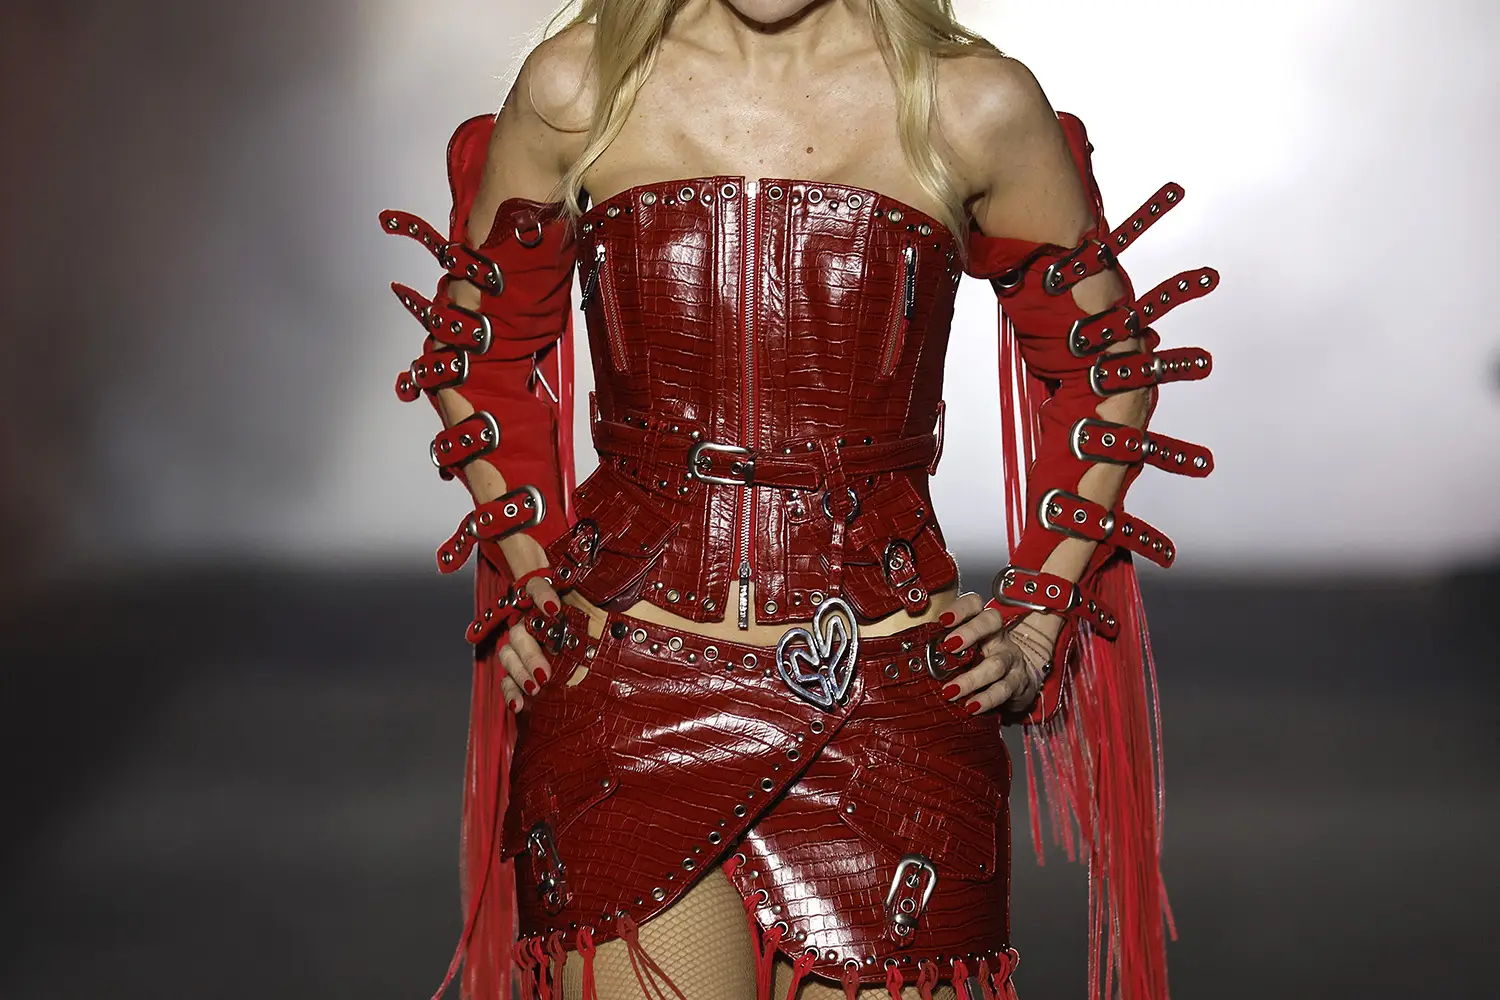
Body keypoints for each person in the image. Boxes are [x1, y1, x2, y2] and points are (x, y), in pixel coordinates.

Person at [379, 1, 1217, 998]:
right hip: (626, 701)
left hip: (889, 708)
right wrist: (532, 579)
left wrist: (1038, 622)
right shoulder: (579, 88)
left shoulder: (973, 105)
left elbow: (1105, 369)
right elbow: (478, 354)